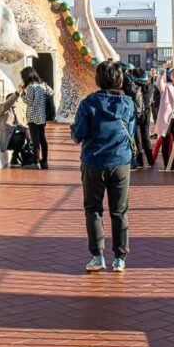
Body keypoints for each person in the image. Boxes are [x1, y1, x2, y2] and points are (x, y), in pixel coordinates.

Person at [71, 60, 136, 272]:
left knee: (93, 209)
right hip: (120, 161)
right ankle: (120, 258)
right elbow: (132, 133)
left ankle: (98, 256)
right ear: (119, 79)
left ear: (98, 79)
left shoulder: (88, 103)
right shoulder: (128, 103)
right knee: (119, 211)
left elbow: (78, 135)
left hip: (93, 162)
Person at [18, 66, 53, 169]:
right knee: (43, 138)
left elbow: (28, 101)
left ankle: (36, 161)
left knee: (35, 140)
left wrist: (22, 93)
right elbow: (51, 93)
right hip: (42, 116)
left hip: (33, 116)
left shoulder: (30, 87)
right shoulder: (44, 85)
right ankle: (45, 161)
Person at [117, 62, 145, 163]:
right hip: (134, 109)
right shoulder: (129, 77)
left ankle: (133, 160)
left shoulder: (123, 78)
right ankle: (137, 159)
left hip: (129, 110)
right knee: (133, 135)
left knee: (130, 135)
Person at [131, 68, 154, 168]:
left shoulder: (133, 85)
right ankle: (150, 160)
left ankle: (139, 161)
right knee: (146, 137)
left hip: (136, 113)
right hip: (147, 113)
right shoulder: (149, 85)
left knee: (137, 138)